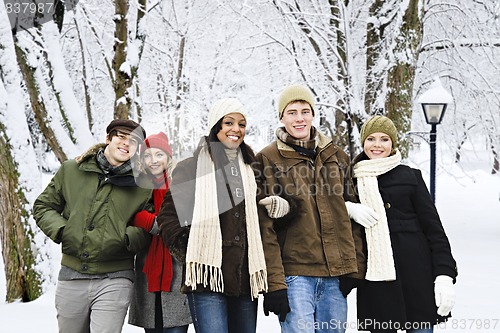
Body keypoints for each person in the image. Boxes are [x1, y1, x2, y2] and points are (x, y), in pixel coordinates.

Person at [255, 84, 367, 333]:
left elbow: (353, 212)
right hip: (295, 276)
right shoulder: (267, 159)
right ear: (281, 117)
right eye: (292, 112)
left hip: (335, 276)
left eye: (305, 111)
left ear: (313, 114)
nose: (299, 118)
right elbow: (265, 228)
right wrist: (275, 284)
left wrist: (354, 267)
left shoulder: (336, 156)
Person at [156, 98, 268, 333]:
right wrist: (191, 249)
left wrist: (282, 207)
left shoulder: (253, 169)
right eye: (229, 122)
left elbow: (261, 216)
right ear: (216, 126)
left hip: (244, 277)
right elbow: (169, 216)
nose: (236, 129)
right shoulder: (192, 167)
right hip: (207, 277)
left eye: (242, 124)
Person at [33, 119, 153, 333]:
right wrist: (63, 231)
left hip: (115, 277)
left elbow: (148, 225)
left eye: (133, 141)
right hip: (72, 275)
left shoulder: (143, 185)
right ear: (108, 139)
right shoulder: (72, 170)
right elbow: (43, 206)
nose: (126, 144)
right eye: (121, 137)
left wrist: (124, 239)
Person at [349, 115, 457, 333]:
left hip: (417, 277)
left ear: (393, 143)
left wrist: (444, 275)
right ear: (363, 143)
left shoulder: (411, 177)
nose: (377, 145)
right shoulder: (352, 179)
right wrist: (348, 208)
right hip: (378, 282)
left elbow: (434, 231)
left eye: (384, 139)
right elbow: (327, 209)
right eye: (371, 139)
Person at [128, 132, 192, 332]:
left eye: (159, 155)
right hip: (148, 267)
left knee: (175, 327)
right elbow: (126, 213)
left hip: (177, 269)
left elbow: (183, 222)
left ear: (168, 157)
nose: (153, 160)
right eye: (147, 155)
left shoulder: (180, 183)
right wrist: (146, 220)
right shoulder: (137, 186)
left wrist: (147, 220)